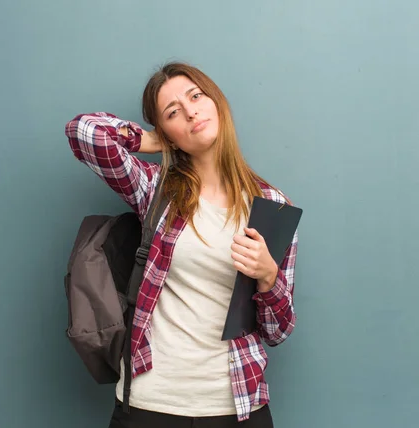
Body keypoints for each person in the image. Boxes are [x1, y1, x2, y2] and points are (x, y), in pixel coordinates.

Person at [64, 62, 298, 428]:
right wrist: (147, 140)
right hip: (151, 403)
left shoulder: (271, 205)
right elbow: (83, 133)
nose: (190, 111)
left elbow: (278, 331)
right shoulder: (156, 190)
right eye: (173, 112)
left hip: (238, 404)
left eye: (196, 96)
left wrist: (269, 278)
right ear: (167, 131)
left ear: (216, 102)